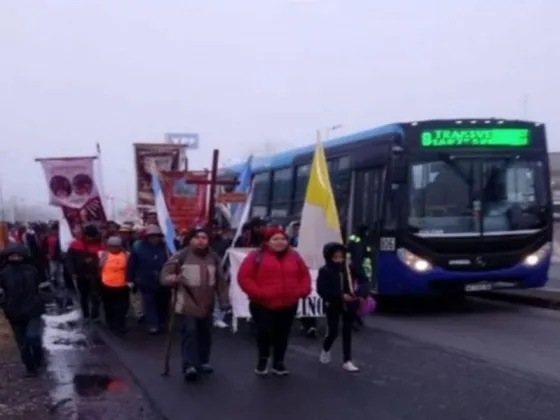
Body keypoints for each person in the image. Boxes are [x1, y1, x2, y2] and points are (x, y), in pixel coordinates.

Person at [237, 227, 311, 376]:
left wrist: (302, 291)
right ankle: (263, 360)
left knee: (282, 334)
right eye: (275, 239)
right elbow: (244, 277)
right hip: (262, 304)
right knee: (265, 332)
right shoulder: (255, 256)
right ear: (267, 242)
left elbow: (305, 276)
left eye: (282, 239)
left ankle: (279, 362)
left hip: (288, 303)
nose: (280, 242)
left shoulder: (295, 256)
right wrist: (259, 293)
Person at [161, 227, 229, 382]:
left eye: (204, 237)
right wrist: (172, 279)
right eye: (197, 237)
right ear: (190, 240)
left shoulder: (213, 257)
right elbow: (164, 275)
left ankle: (203, 362)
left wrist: (224, 300)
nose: (200, 240)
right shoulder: (181, 256)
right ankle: (189, 365)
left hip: (207, 302)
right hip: (187, 301)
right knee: (190, 332)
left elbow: (221, 282)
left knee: (204, 333)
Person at [0, 243, 51, 376]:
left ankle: (38, 356)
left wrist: (44, 299)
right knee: (22, 343)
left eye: (17, 255)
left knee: (33, 337)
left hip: (33, 309)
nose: (15, 258)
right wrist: (5, 303)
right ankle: (30, 367)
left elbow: (44, 286)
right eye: (12, 256)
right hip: (14, 312)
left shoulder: (33, 269)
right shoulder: (3, 272)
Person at [317, 242, 361, 372]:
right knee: (333, 331)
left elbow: (362, 280)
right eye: (335, 257)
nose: (339, 259)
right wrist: (340, 296)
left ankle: (347, 360)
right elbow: (322, 290)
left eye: (341, 257)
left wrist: (358, 294)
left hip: (350, 303)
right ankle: (326, 348)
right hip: (333, 304)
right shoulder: (325, 271)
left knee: (347, 332)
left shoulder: (349, 268)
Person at [127, 225, 169, 334]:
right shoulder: (138, 247)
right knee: (149, 302)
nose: (154, 239)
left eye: (156, 236)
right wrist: (130, 279)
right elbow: (132, 264)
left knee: (162, 303)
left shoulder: (166, 247)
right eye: (152, 236)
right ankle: (153, 324)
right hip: (145, 280)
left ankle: (161, 321)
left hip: (163, 280)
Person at [67, 225, 103, 322]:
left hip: (95, 275)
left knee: (95, 295)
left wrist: (94, 261)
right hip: (81, 274)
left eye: (93, 236)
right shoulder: (76, 245)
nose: (90, 238)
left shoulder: (100, 244)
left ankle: (95, 315)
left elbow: (102, 258)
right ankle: (86, 314)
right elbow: (69, 260)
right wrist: (72, 272)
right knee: (84, 295)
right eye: (89, 236)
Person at [99, 236, 131, 334]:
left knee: (122, 307)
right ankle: (111, 323)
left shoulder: (127, 255)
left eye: (116, 246)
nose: (114, 249)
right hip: (107, 285)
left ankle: (120, 325)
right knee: (109, 305)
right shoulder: (102, 255)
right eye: (111, 246)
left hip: (122, 285)